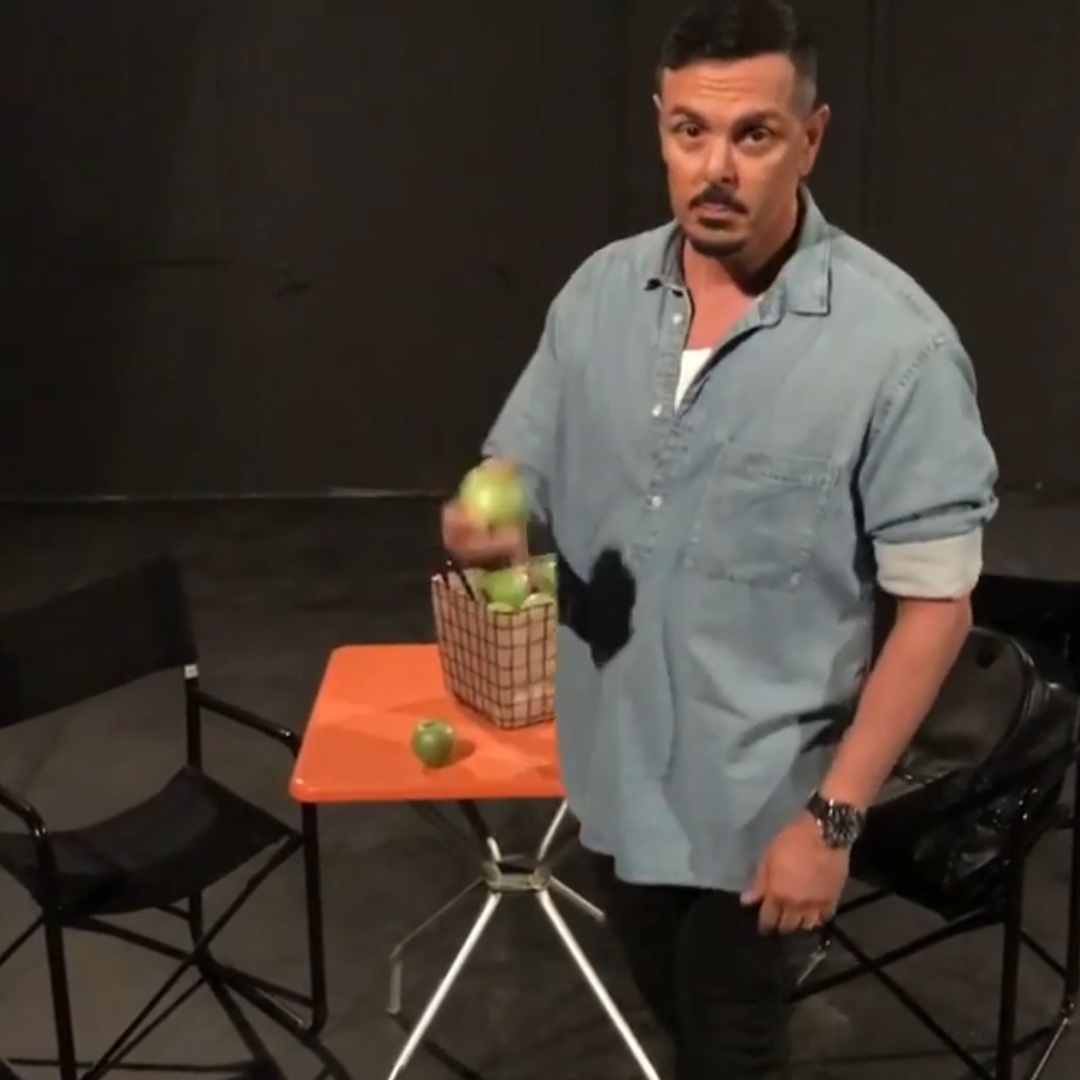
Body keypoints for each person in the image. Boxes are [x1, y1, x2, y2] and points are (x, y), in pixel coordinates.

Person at [442, 0, 999, 1076]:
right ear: (659, 123)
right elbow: (515, 465)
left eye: (755, 135)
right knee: (679, 1020)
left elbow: (937, 609)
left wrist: (833, 822)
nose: (716, 169)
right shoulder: (599, 296)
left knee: (730, 1045)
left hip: (764, 810)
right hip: (615, 784)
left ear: (811, 138)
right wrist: (488, 517)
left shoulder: (898, 349)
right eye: (690, 131)